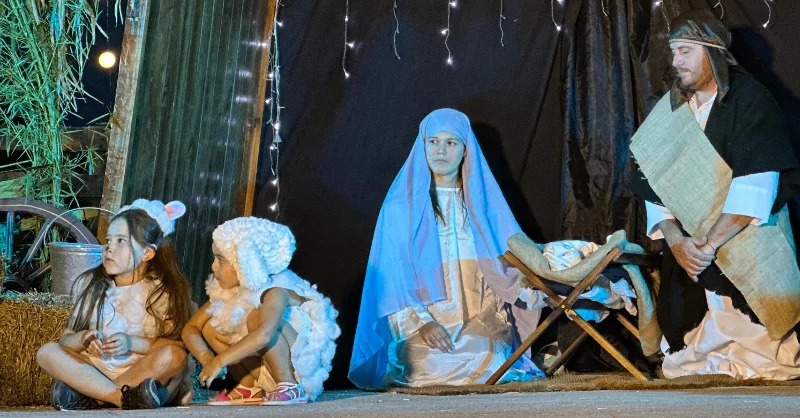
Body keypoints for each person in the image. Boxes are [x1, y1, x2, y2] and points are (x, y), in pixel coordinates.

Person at [629, 9, 800, 380]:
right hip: (688, 247)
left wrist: (708, 245)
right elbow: (652, 178)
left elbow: (758, 184)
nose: (675, 61)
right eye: (673, 52)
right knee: (683, 353)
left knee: (767, 352)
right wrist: (677, 241)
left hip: (741, 236)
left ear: (711, 51)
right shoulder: (671, 108)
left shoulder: (749, 101)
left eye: (685, 51)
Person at [348, 108, 544, 388]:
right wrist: (421, 324)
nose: (441, 151)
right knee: (429, 365)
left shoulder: (482, 205)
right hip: (422, 323)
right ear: (423, 146)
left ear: (465, 151)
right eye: (433, 142)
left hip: (480, 318)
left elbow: (509, 259)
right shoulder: (399, 208)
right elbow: (392, 280)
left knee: (484, 356)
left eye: (451, 143)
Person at [36, 199, 193, 410]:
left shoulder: (161, 292)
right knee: (47, 352)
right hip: (95, 370)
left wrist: (131, 343)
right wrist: (83, 339)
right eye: (108, 240)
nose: (109, 248)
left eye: (121, 241)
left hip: (142, 373)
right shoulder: (91, 284)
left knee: (175, 357)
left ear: (147, 253)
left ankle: (92, 397)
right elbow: (66, 339)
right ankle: (119, 397)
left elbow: (175, 346)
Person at [182, 216, 340, 405]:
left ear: (246, 262)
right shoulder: (230, 294)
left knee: (255, 319)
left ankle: (289, 385)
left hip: (299, 370)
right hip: (266, 370)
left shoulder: (276, 290)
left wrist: (219, 361)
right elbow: (190, 329)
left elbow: (264, 335)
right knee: (210, 325)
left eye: (221, 260)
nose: (213, 267)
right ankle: (249, 386)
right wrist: (206, 358)